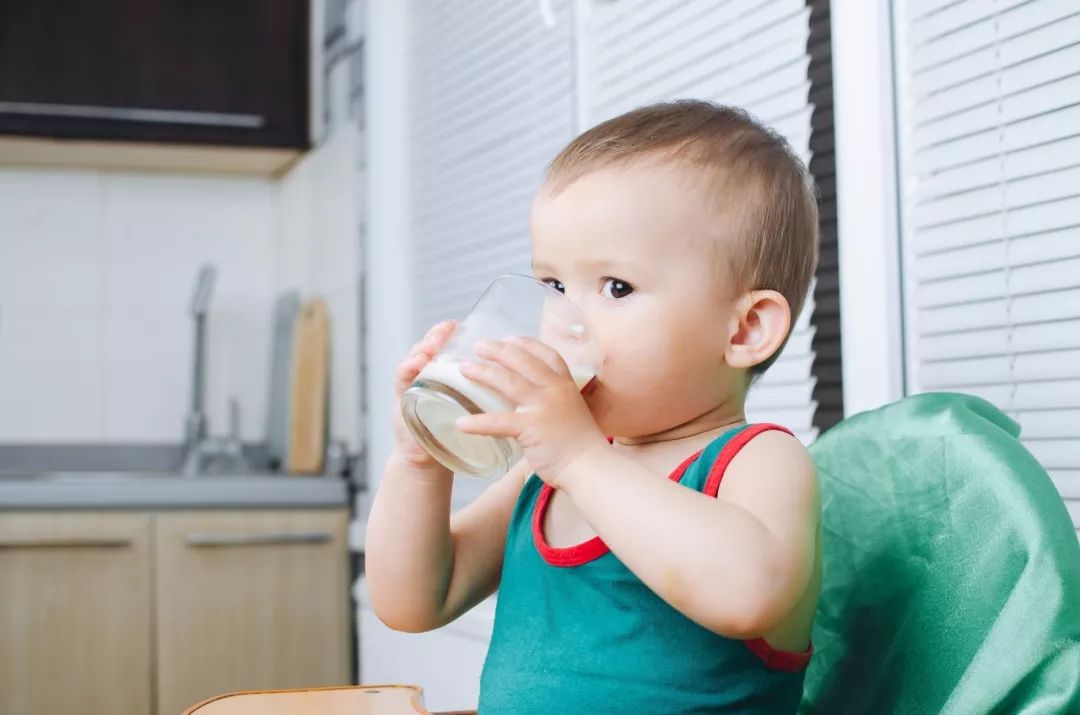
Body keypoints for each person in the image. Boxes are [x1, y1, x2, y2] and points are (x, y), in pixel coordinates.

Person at [366, 100, 822, 713]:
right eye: (553, 286)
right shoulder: (549, 472)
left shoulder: (756, 461)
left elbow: (747, 594)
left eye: (615, 288)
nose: (562, 320)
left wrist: (579, 458)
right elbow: (414, 601)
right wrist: (419, 464)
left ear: (743, 331)